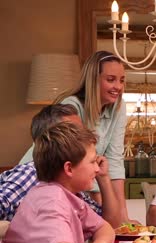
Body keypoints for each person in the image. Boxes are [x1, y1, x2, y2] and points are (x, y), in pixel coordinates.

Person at [0, 122, 156, 243]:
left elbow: (105, 228)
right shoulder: (50, 200)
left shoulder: (70, 195)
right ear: (69, 168)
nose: (98, 169)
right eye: (92, 162)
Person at [19, 50, 130, 223]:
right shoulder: (71, 107)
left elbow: (114, 160)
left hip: (72, 177)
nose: (118, 86)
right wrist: (102, 213)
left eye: (122, 80)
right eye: (110, 79)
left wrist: (123, 217)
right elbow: (71, 157)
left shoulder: (118, 107)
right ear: (93, 80)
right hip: (41, 176)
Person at [0, 104, 121, 227]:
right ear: (54, 137)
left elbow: (110, 225)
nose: (83, 136)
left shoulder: (69, 184)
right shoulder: (30, 174)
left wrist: (103, 177)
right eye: (73, 132)